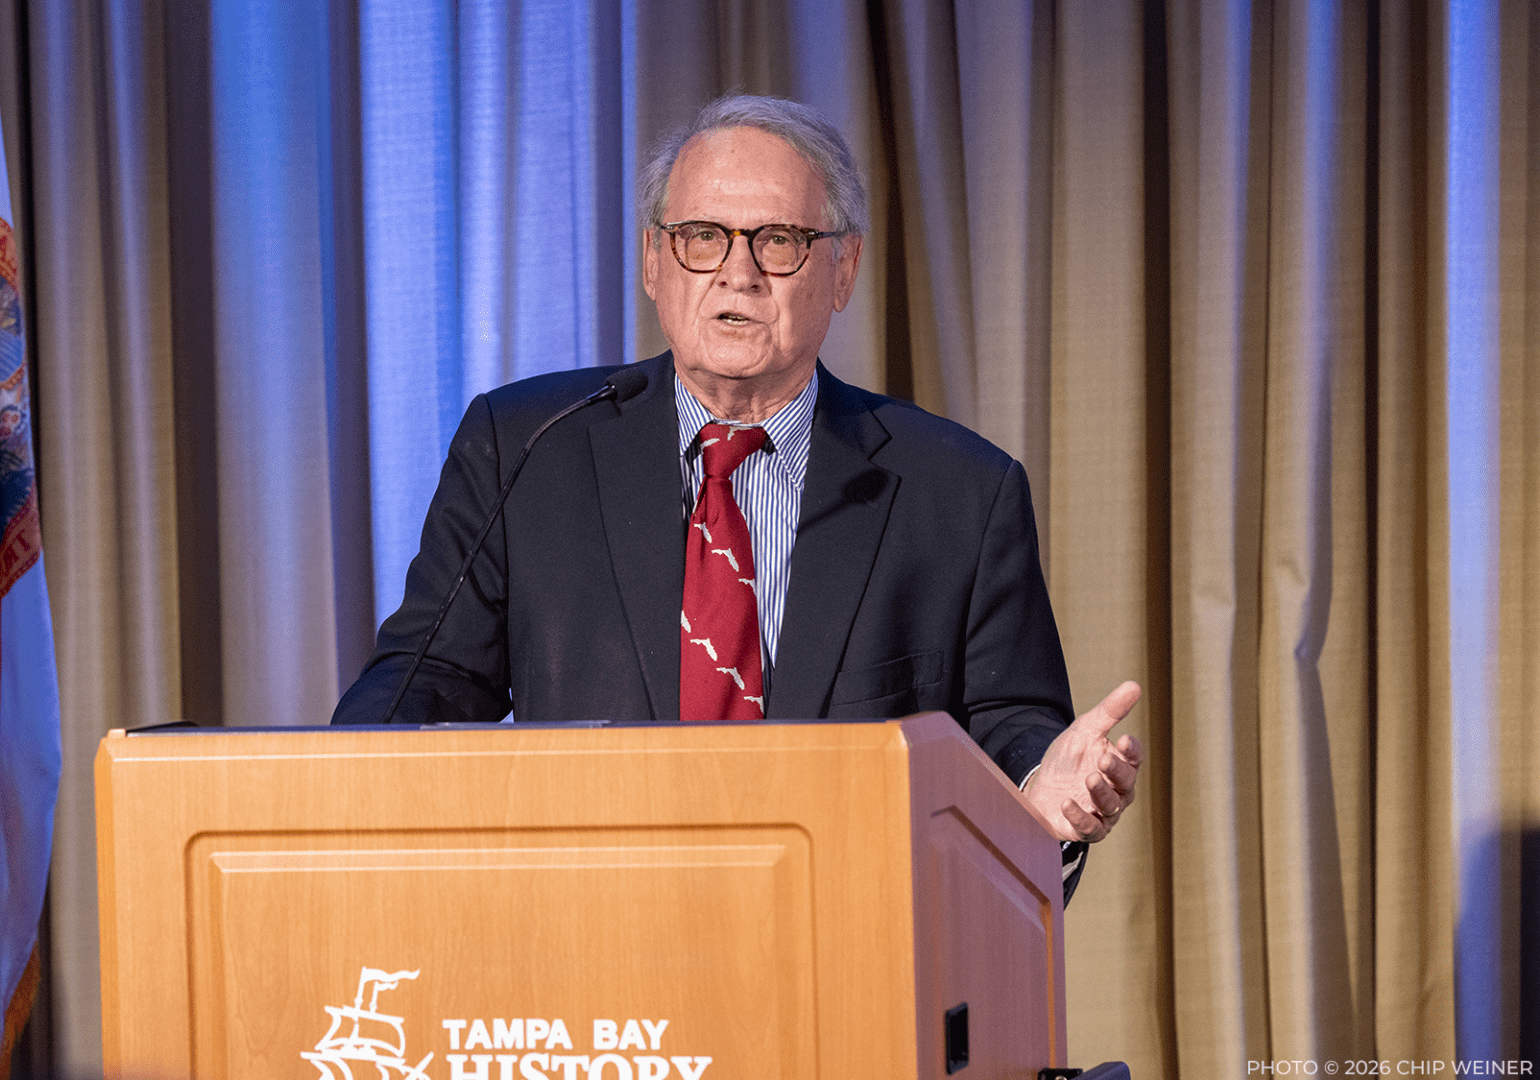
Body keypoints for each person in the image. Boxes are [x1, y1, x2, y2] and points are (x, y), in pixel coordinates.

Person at [333, 94, 1142, 855]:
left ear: (845, 269)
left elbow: (1008, 724)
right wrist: (319, 788)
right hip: (591, 941)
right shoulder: (528, 448)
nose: (737, 272)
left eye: (779, 241)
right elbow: (427, 679)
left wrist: (1043, 785)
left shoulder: (959, 492)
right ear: (655, 260)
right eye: (701, 236)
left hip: (847, 943)